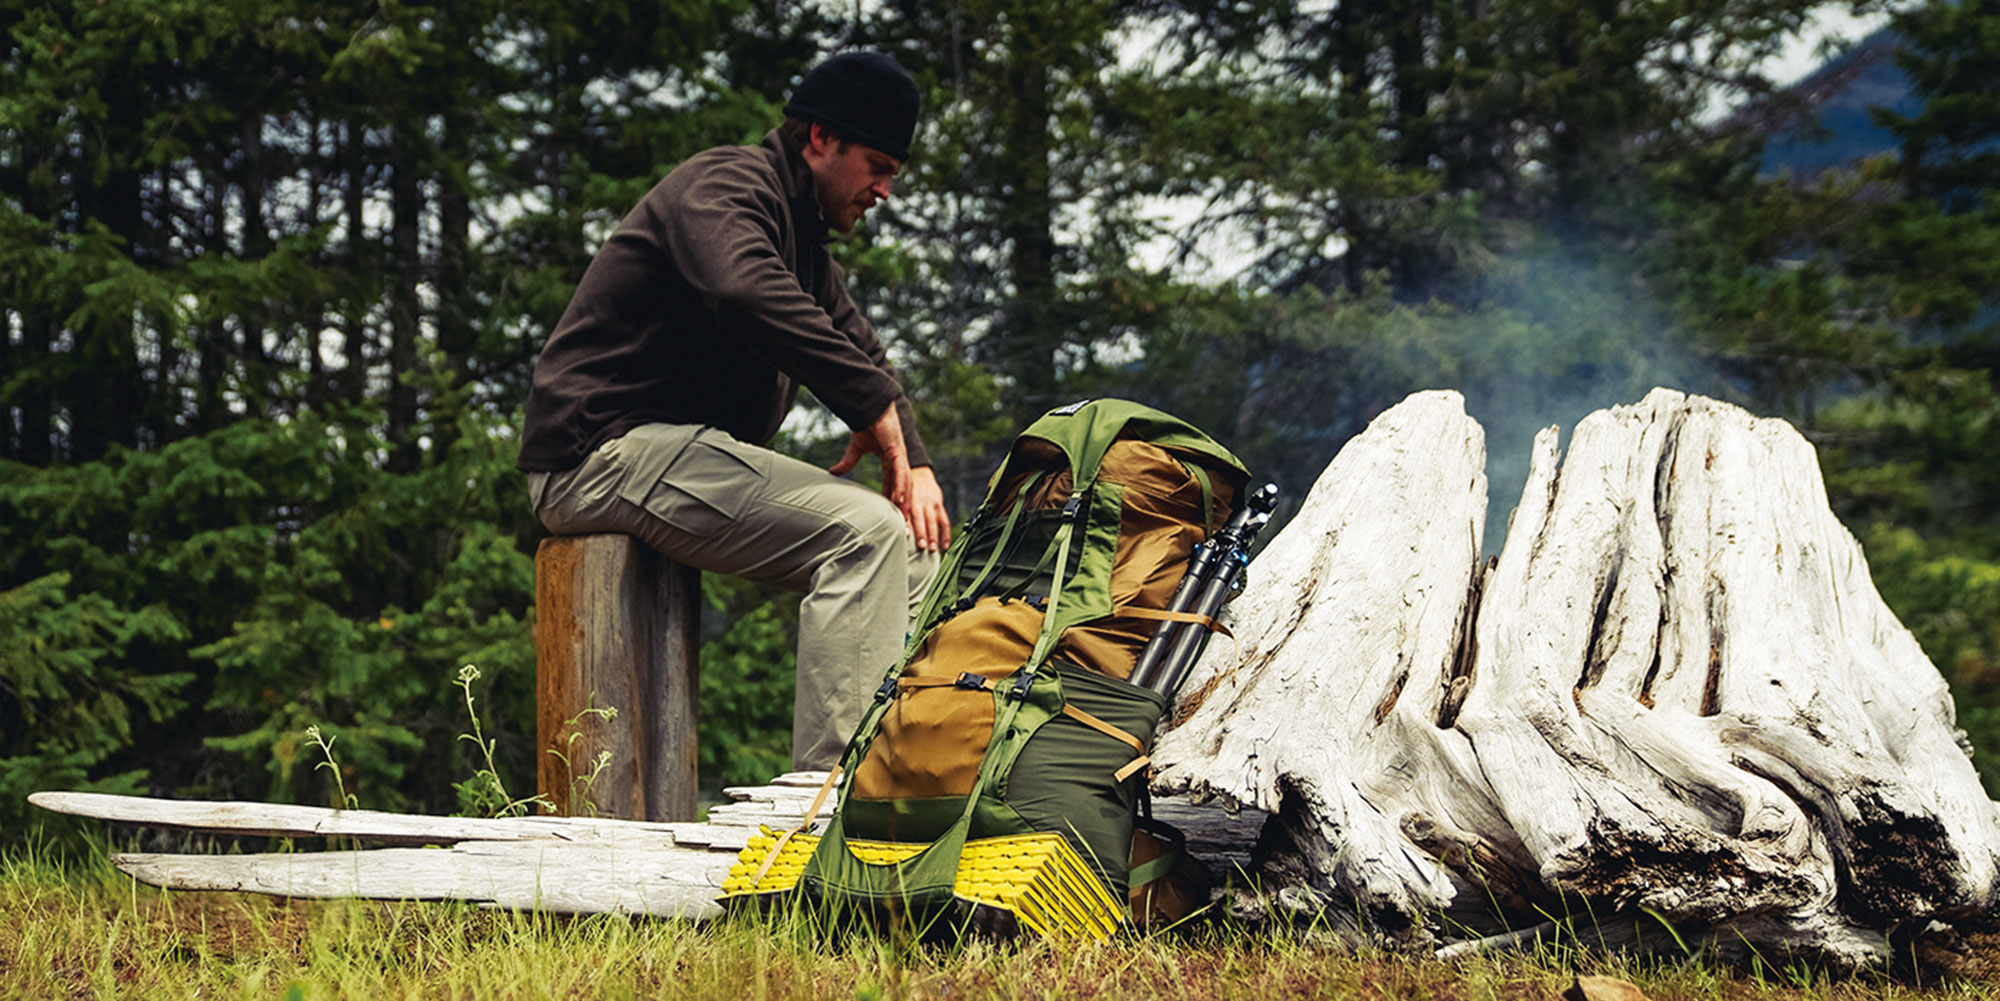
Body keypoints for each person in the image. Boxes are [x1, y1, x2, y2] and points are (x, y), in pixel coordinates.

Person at [518, 52, 949, 770]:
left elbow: (869, 358)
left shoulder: (805, 248)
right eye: (877, 165)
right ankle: (828, 806)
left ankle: (901, 774)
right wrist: (869, 405)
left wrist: (920, 463)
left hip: (663, 454)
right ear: (820, 138)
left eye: (893, 173)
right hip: (593, 454)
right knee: (863, 531)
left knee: (913, 545)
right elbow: (744, 290)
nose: (884, 190)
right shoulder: (725, 186)